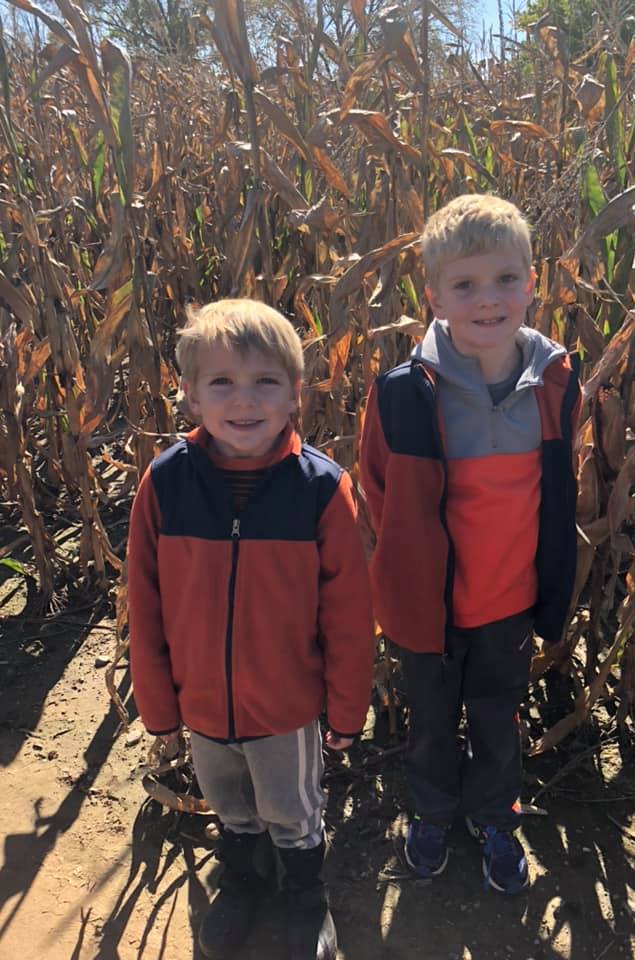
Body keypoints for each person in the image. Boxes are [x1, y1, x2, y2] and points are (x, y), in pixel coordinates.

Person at [128, 298, 374, 960]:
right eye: (222, 382)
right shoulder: (166, 483)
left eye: (266, 381)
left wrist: (346, 710)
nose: (244, 400)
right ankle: (242, 880)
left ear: (295, 393)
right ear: (190, 394)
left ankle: (305, 896)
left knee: (292, 811)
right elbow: (144, 603)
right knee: (230, 805)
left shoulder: (320, 489)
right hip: (202, 703)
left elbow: (350, 616)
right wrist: (159, 708)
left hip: (285, 707)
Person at [360, 194, 581, 894]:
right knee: (430, 723)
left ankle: (494, 817)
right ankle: (431, 813)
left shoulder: (554, 384)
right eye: (465, 285)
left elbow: (558, 490)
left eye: (505, 279)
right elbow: (379, 491)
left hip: (508, 603)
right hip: (425, 608)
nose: (488, 299)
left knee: (496, 719)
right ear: (434, 297)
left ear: (532, 282)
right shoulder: (404, 393)